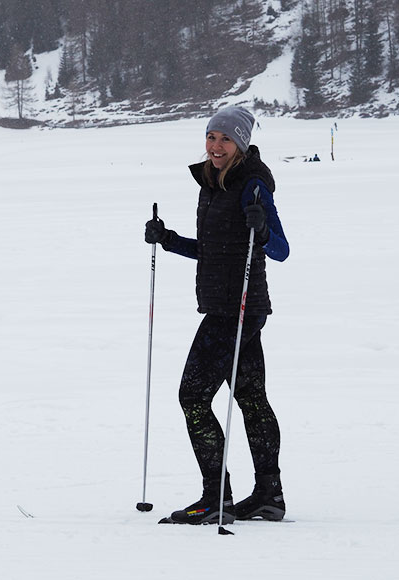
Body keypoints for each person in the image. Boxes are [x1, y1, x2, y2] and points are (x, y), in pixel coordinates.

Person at [144, 106, 289, 525]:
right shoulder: (211, 182)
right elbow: (214, 249)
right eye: (211, 137)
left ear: (240, 144)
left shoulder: (252, 184)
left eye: (225, 139)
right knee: (252, 399)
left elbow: (280, 249)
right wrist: (168, 240)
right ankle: (269, 495)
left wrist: (263, 229)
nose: (216, 146)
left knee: (192, 396)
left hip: (236, 309)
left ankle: (215, 498)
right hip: (235, 306)